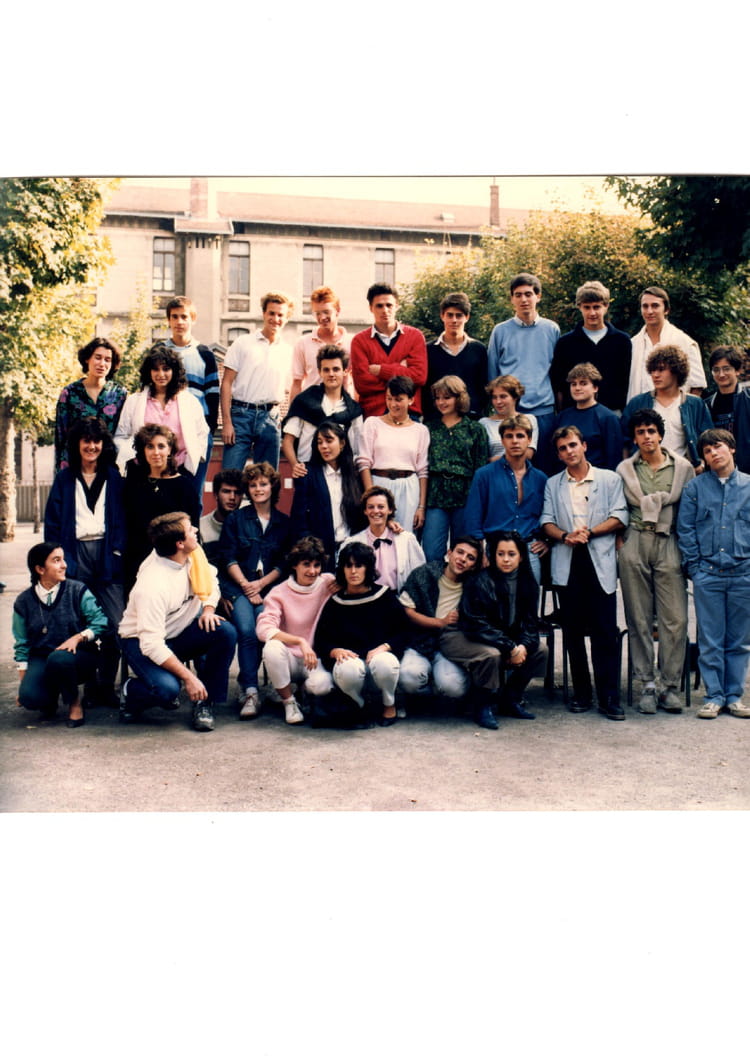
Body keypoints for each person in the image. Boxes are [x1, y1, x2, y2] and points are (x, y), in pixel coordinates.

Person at [118, 512, 237, 732]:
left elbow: (211, 581)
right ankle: (130, 691)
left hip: (178, 632)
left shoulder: (193, 553)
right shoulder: (152, 585)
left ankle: (204, 702)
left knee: (225, 632)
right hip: (140, 642)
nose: (196, 530)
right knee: (167, 690)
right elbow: (151, 645)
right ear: (179, 543)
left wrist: (208, 609)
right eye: (190, 529)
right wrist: (189, 677)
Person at [541, 425, 629, 720]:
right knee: (573, 632)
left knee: (605, 631)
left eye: (573, 445)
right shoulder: (553, 484)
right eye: (563, 448)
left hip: (599, 558)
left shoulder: (609, 478)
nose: (569, 451)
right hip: (568, 560)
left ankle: (609, 697)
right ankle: (581, 692)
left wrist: (590, 533)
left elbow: (620, 515)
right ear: (558, 454)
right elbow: (546, 521)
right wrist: (566, 536)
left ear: (584, 446)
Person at [616, 409, 695, 714]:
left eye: (651, 431)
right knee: (638, 617)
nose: (647, 437)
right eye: (640, 432)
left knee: (675, 618)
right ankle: (647, 684)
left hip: (668, 539)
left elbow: (689, 509)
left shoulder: (683, 468)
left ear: (660, 434)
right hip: (636, 538)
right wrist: (622, 540)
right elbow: (619, 507)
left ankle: (669, 685)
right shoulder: (625, 469)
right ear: (634, 438)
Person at [44, 418, 126, 708]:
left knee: (116, 624)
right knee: (82, 623)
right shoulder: (65, 479)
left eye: (96, 441)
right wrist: (58, 561)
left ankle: (106, 684)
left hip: (107, 556)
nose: (92, 446)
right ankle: (89, 686)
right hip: (74, 555)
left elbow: (124, 519)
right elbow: (52, 524)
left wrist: (117, 551)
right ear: (77, 444)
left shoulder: (114, 477)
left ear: (103, 444)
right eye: (86, 441)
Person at [677, 429, 750, 720]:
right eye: (707, 451)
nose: (713, 454)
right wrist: (695, 568)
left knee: (739, 640)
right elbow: (686, 530)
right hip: (708, 574)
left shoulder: (748, 486)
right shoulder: (695, 489)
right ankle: (714, 696)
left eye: (717, 447)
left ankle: (734, 696)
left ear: (731, 448)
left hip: (743, 573)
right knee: (710, 638)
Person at [440, 532, 547, 729]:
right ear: (493, 556)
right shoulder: (480, 581)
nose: (506, 559)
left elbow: (530, 623)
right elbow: (476, 624)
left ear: (521, 557)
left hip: (503, 637)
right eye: (500, 554)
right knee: (491, 654)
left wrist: (522, 646)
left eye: (511, 554)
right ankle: (483, 705)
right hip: (473, 636)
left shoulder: (528, 582)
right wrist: (510, 647)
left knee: (540, 650)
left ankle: (510, 699)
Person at [216, 461, 291, 718]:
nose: (258, 489)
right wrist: (248, 586)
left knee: (263, 628)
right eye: (253, 485)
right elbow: (228, 557)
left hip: (268, 588)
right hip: (238, 586)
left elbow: (284, 563)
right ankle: (249, 690)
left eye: (263, 484)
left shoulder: (283, 522)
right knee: (246, 629)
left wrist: (261, 584)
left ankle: (273, 686)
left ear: (272, 487)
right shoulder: (236, 519)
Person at [314, 541, 411, 725]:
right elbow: (321, 640)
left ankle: (389, 704)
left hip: (379, 664)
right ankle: (359, 704)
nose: (353, 571)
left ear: (368, 568)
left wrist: (385, 647)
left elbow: (404, 630)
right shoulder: (335, 603)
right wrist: (334, 651)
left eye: (359, 565)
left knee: (385, 661)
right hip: (351, 668)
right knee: (348, 668)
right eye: (348, 566)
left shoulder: (384, 596)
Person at [13, 542, 108, 727]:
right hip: (42, 657)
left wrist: (78, 637)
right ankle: (50, 695)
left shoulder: (77, 590)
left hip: (79, 656)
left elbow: (101, 622)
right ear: (40, 569)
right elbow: (22, 643)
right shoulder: (23, 601)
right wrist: (24, 684)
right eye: (56, 560)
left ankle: (74, 703)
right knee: (30, 698)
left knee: (59, 659)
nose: (64, 565)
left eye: (63, 559)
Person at [255, 536, 336, 724]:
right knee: (272, 648)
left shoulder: (328, 583)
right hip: (289, 657)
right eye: (306, 564)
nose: (312, 571)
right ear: (294, 565)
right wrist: (300, 641)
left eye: (317, 565)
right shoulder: (279, 592)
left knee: (322, 686)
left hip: (315, 658)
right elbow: (263, 628)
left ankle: (304, 691)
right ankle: (288, 701)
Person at [463, 414, 548, 583]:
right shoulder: (484, 475)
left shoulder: (541, 479)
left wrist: (547, 541)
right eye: (509, 436)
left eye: (520, 436)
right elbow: (473, 516)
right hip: (494, 549)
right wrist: (480, 550)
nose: (515, 441)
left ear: (529, 440)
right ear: (502, 441)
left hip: (528, 549)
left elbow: (548, 515)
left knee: (529, 599)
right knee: (493, 599)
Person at [486, 272, 560, 466]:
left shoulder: (551, 329)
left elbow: (557, 372)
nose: (524, 299)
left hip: (543, 411)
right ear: (512, 299)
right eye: (518, 295)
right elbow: (493, 373)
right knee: (511, 468)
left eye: (528, 294)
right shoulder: (500, 331)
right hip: (511, 412)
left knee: (543, 468)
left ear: (538, 296)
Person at [398, 536, 482, 702]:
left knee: (453, 687)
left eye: (470, 558)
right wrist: (440, 622)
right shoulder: (424, 574)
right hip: (418, 641)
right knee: (408, 677)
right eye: (460, 552)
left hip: (449, 646)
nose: (463, 559)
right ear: (449, 553)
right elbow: (406, 611)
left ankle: (441, 686)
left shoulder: (473, 586)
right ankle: (424, 694)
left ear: (473, 566)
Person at [114, 344, 209, 487]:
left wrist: (188, 461)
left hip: (179, 471)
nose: (161, 374)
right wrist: (132, 457)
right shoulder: (134, 401)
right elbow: (121, 435)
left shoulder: (190, 402)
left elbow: (202, 433)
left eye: (166, 369)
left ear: (174, 371)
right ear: (148, 372)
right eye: (155, 369)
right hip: (142, 472)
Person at [122, 424, 201, 592]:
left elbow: (194, 529)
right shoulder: (133, 484)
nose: (156, 452)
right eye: (150, 446)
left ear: (170, 449)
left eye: (161, 446)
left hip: (172, 562)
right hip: (137, 561)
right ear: (143, 450)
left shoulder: (185, 486)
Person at [220, 291, 294, 470]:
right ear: (263, 314)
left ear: (287, 318)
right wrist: (227, 423)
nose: (275, 319)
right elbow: (226, 383)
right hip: (240, 416)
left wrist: (286, 422)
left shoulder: (288, 351)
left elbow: (293, 388)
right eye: (271, 313)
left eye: (280, 315)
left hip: (270, 418)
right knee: (230, 475)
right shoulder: (243, 342)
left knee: (267, 478)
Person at [422, 375, 489, 562]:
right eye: (437, 398)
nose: (441, 402)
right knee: (431, 551)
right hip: (436, 493)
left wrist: (478, 502)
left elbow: (481, 467)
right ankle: (436, 580)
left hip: (465, 494)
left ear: (459, 398)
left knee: (464, 550)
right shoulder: (429, 427)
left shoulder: (475, 429)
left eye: (447, 397)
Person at [163, 296, 220, 500]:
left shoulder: (204, 354)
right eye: (174, 317)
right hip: (166, 430)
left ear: (193, 319)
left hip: (197, 431)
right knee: (165, 490)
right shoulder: (159, 351)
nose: (179, 322)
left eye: (184, 317)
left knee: (193, 493)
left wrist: (208, 428)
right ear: (168, 320)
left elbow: (213, 394)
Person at [289, 420, 365, 572]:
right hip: (320, 554)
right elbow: (299, 519)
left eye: (329, 440)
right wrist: (312, 551)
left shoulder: (354, 475)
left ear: (342, 443)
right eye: (319, 442)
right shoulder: (307, 473)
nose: (324, 446)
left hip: (351, 551)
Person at [356, 375, 430, 531]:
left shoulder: (421, 430)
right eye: (389, 398)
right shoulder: (372, 423)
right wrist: (371, 496)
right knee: (379, 534)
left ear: (411, 400)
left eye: (398, 399)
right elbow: (363, 463)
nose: (393, 404)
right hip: (379, 484)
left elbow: (423, 470)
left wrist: (421, 507)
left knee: (405, 536)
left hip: (409, 488)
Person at [621, 345, 713, 468]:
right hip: (645, 471)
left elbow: (708, 440)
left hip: (684, 471)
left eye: (661, 369)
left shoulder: (695, 404)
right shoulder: (637, 403)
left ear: (677, 371)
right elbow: (624, 441)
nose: (655, 375)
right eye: (652, 370)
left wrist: (701, 465)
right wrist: (628, 469)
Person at [281, 344, 364, 475]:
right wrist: (295, 465)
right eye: (326, 370)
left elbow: (358, 447)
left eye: (336, 369)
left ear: (345, 371)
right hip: (308, 470)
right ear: (320, 372)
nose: (331, 374)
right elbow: (288, 440)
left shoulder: (353, 410)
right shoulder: (304, 401)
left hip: (341, 472)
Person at [550, 281, 632, 412]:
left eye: (596, 307)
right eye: (587, 307)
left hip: (613, 412)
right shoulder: (566, 343)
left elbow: (627, 381)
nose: (592, 313)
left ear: (606, 306)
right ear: (579, 307)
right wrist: (561, 414)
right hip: (575, 412)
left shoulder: (622, 341)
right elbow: (558, 384)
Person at [349, 282, 428, 418]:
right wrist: (402, 372)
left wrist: (381, 370)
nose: (385, 310)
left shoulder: (415, 337)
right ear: (371, 308)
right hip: (374, 413)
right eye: (379, 306)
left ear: (396, 306)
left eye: (389, 305)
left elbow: (420, 377)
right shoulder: (359, 341)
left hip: (408, 413)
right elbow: (362, 384)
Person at [54, 337, 127, 472]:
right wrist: (62, 474)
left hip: (109, 466)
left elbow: (123, 434)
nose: (102, 364)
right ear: (87, 359)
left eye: (107, 359)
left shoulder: (120, 394)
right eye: (98, 358)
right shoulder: (70, 393)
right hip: (75, 465)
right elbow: (61, 436)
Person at [627, 285, 706, 401]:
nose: (649, 311)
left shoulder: (684, 342)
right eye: (645, 306)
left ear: (666, 310)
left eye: (655, 306)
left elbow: (697, 386)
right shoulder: (632, 344)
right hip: (639, 410)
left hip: (674, 409)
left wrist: (683, 409)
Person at [342, 485, 425, 592]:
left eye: (381, 507)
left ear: (390, 510)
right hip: (366, 598)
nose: (376, 511)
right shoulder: (352, 542)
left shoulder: (407, 540)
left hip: (399, 598)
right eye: (371, 507)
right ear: (365, 511)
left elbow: (420, 575)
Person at [422, 292, 488, 421]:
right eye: (450, 315)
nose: (454, 320)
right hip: (436, 421)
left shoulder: (478, 349)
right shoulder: (428, 350)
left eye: (459, 315)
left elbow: (483, 387)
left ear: (467, 317)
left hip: (471, 420)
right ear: (442, 316)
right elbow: (424, 389)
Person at [551, 363, 624, 471]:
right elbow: (554, 455)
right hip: (566, 476)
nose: (577, 388)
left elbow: (613, 458)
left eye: (583, 383)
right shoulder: (562, 417)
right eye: (573, 384)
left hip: (597, 476)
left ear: (595, 388)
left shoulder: (608, 418)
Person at [288, 286, 353, 403]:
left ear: (338, 311)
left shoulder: (351, 343)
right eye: (317, 313)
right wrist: (292, 413)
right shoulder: (303, 343)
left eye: (326, 312)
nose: (322, 317)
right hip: (311, 408)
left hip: (342, 408)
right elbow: (297, 383)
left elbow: (358, 381)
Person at [704, 345, 750, 473]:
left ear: (737, 370)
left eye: (726, 369)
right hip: (718, 472)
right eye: (716, 370)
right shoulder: (707, 405)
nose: (721, 374)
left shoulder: (747, 399)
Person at [479, 375, 539, 461]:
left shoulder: (529, 419)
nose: (498, 401)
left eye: (503, 396)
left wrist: (496, 460)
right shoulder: (484, 423)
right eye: (494, 397)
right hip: (493, 469)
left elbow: (528, 454)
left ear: (515, 397)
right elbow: (481, 459)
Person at [199, 468, 244, 567]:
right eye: (226, 491)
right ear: (216, 495)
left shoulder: (248, 527)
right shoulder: (201, 527)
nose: (232, 497)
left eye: (237, 493)